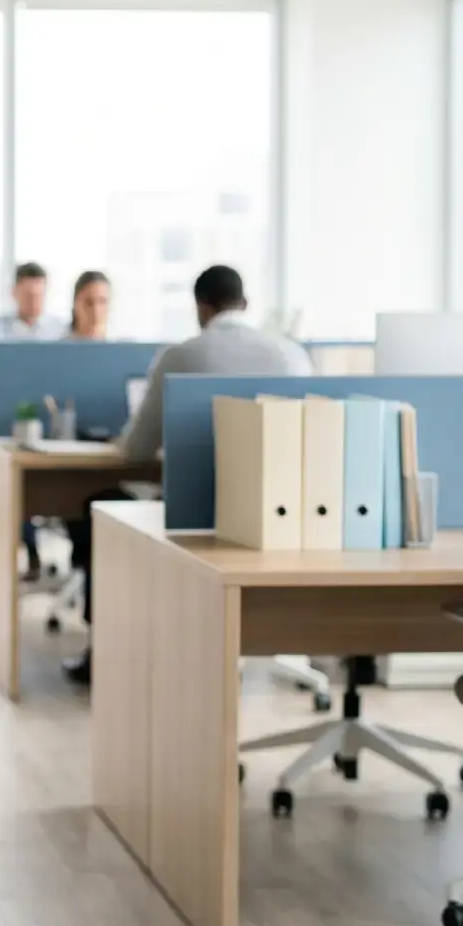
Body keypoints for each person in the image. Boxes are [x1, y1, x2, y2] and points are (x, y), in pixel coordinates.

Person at [61, 265, 311, 685]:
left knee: (99, 505)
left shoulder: (181, 355)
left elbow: (134, 451)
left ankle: (101, 648)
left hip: (199, 515)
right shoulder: (293, 355)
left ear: (201, 306)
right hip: (286, 518)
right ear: (244, 304)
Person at [0, 261, 66, 399]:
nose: (34, 302)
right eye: (28, 295)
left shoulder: (61, 330)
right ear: (14, 292)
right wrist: (12, 390)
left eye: (39, 295)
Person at [67, 269, 110, 340]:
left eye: (102, 302)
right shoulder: (57, 349)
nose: (96, 310)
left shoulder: (122, 348)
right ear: (75, 304)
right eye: (89, 302)